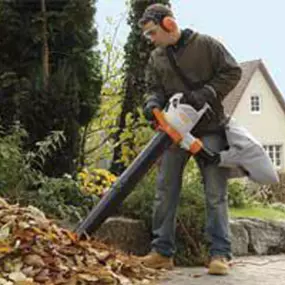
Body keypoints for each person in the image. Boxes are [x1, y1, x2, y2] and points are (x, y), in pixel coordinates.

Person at [138, 3, 242, 275]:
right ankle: (162, 252)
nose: (150, 39)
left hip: (210, 129)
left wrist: (207, 93)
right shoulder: (157, 58)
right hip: (175, 131)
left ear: (169, 24)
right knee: (165, 189)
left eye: (152, 33)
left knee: (215, 192)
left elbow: (233, 72)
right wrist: (151, 105)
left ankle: (220, 255)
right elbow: (153, 89)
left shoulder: (206, 45)